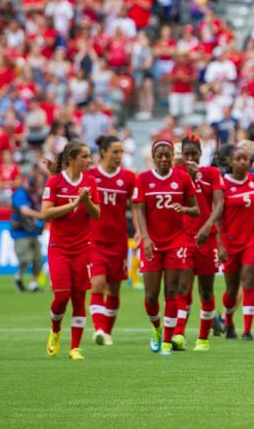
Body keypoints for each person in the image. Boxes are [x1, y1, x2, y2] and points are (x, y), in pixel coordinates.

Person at [132, 140, 199, 356]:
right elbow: (140, 210)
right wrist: (145, 237)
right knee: (151, 295)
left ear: (172, 155)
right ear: (153, 156)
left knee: (171, 290)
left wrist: (185, 209)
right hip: (152, 242)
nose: (163, 159)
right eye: (159, 155)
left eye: (167, 155)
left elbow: (196, 209)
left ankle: (168, 341)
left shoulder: (183, 178)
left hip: (176, 242)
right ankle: (157, 329)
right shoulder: (143, 179)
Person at [41, 141, 101, 361]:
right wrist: (74, 204)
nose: (89, 160)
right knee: (62, 296)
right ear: (72, 158)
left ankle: (75, 347)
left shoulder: (91, 182)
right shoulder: (55, 182)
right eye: (85, 156)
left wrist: (86, 202)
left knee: (79, 297)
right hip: (59, 247)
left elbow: (97, 214)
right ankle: (55, 330)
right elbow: (46, 214)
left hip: (83, 247)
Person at [173, 136, 225, 351]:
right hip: (185, 237)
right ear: (182, 155)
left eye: (194, 153)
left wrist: (207, 226)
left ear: (200, 153)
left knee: (205, 290)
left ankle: (203, 337)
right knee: (183, 287)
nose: (191, 157)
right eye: (187, 154)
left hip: (208, 237)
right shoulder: (177, 175)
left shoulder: (212, 174)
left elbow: (219, 203)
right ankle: (178, 334)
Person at [87, 136, 136, 347]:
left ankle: (107, 331)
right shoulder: (89, 176)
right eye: (115, 152)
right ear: (104, 152)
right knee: (97, 285)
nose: (119, 156)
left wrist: (140, 231)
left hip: (118, 242)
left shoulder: (128, 178)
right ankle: (98, 329)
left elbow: (136, 207)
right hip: (94, 241)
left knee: (114, 290)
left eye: (121, 152)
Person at [219, 146, 254, 341]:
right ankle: (229, 321)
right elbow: (217, 217)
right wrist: (219, 244)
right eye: (238, 159)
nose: (242, 162)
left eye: (246, 159)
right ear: (230, 162)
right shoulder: (222, 185)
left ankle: (247, 330)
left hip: (252, 239)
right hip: (230, 242)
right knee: (231, 289)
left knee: (248, 281)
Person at [10, 172, 44, 293]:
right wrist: (41, 215)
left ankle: (33, 285)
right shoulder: (20, 193)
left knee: (38, 260)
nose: (40, 185)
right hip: (20, 232)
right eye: (38, 183)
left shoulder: (36, 194)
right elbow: (25, 211)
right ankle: (18, 277)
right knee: (25, 259)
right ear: (32, 183)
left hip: (33, 231)